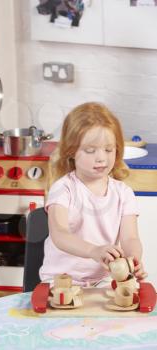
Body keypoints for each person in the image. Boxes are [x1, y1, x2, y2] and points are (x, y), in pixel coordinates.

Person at [40, 102, 147, 287]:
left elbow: (130, 238)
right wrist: (94, 251)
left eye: (108, 149)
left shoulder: (123, 193)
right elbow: (60, 235)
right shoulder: (63, 189)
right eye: (90, 150)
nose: (101, 158)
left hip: (104, 280)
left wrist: (132, 260)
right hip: (61, 281)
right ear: (71, 151)